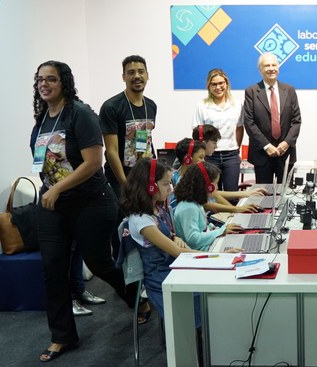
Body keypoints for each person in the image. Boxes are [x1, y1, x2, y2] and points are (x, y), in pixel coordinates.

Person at [29, 60, 139, 362]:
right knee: (52, 268)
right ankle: (62, 336)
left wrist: (57, 188)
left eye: (51, 79)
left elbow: (92, 163)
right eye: (40, 80)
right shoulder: (43, 119)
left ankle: (135, 297)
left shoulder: (81, 114)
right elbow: (44, 162)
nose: (44, 84)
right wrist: (48, 188)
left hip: (91, 201)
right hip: (54, 205)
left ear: (64, 82)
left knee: (100, 263)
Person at [119, 158, 199, 322]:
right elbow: (177, 252)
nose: (171, 189)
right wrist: (217, 255)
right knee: (202, 291)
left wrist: (174, 237)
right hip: (160, 277)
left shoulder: (156, 208)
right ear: (150, 186)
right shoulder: (142, 220)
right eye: (166, 184)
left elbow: (168, 237)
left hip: (170, 267)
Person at [100, 55, 157, 259]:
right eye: (131, 72)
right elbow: (111, 151)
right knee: (124, 227)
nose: (136, 76)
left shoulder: (151, 106)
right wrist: (125, 185)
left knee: (146, 225)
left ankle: (146, 273)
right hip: (120, 179)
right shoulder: (112, 107)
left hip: (144, 176)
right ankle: (124, 280)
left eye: (141, 71)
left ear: (147, 75)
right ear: (123, 77)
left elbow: (147, 140)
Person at [243, 52, 301, 184]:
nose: (271, 68)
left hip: (285, 153)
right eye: (266, 65)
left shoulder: (289, 90)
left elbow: (296, 120)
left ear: (278, 68)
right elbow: (249, 122)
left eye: (274, 65)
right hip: (262, 154)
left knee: (286, 197)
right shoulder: (251, 91)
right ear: (260, 69)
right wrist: (266, 145)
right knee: (264, 196)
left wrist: (286, 143)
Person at [171, 137, 263, 213]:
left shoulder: (185, 175)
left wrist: (245, 194)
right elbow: (205, 204)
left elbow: (214, 193)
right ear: (188, 159)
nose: (203, 161)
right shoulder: (182, 181)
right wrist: (236, 210)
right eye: (201, 157)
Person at [193, 68, 244, 192]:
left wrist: (237, 148)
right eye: (214, 84)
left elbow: (239, 128)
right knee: (211, 194)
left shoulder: (237, 104)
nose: (218, 87)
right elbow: (197, 133)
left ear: (226, 83)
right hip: (210, 156)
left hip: (231, 155)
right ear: (209, 86)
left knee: (232, 193)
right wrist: (202, 154)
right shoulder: (202, 106)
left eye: (221, 83)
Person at [173, 161, 242, 250]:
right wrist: (221, 231)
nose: (217, 188)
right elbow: (193, 239)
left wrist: (221, 229)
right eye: (216, 183)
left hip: (208, 246)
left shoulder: (195, 202)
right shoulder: (188, 207)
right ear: (207, 186)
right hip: (201, 252)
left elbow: (204, 228)